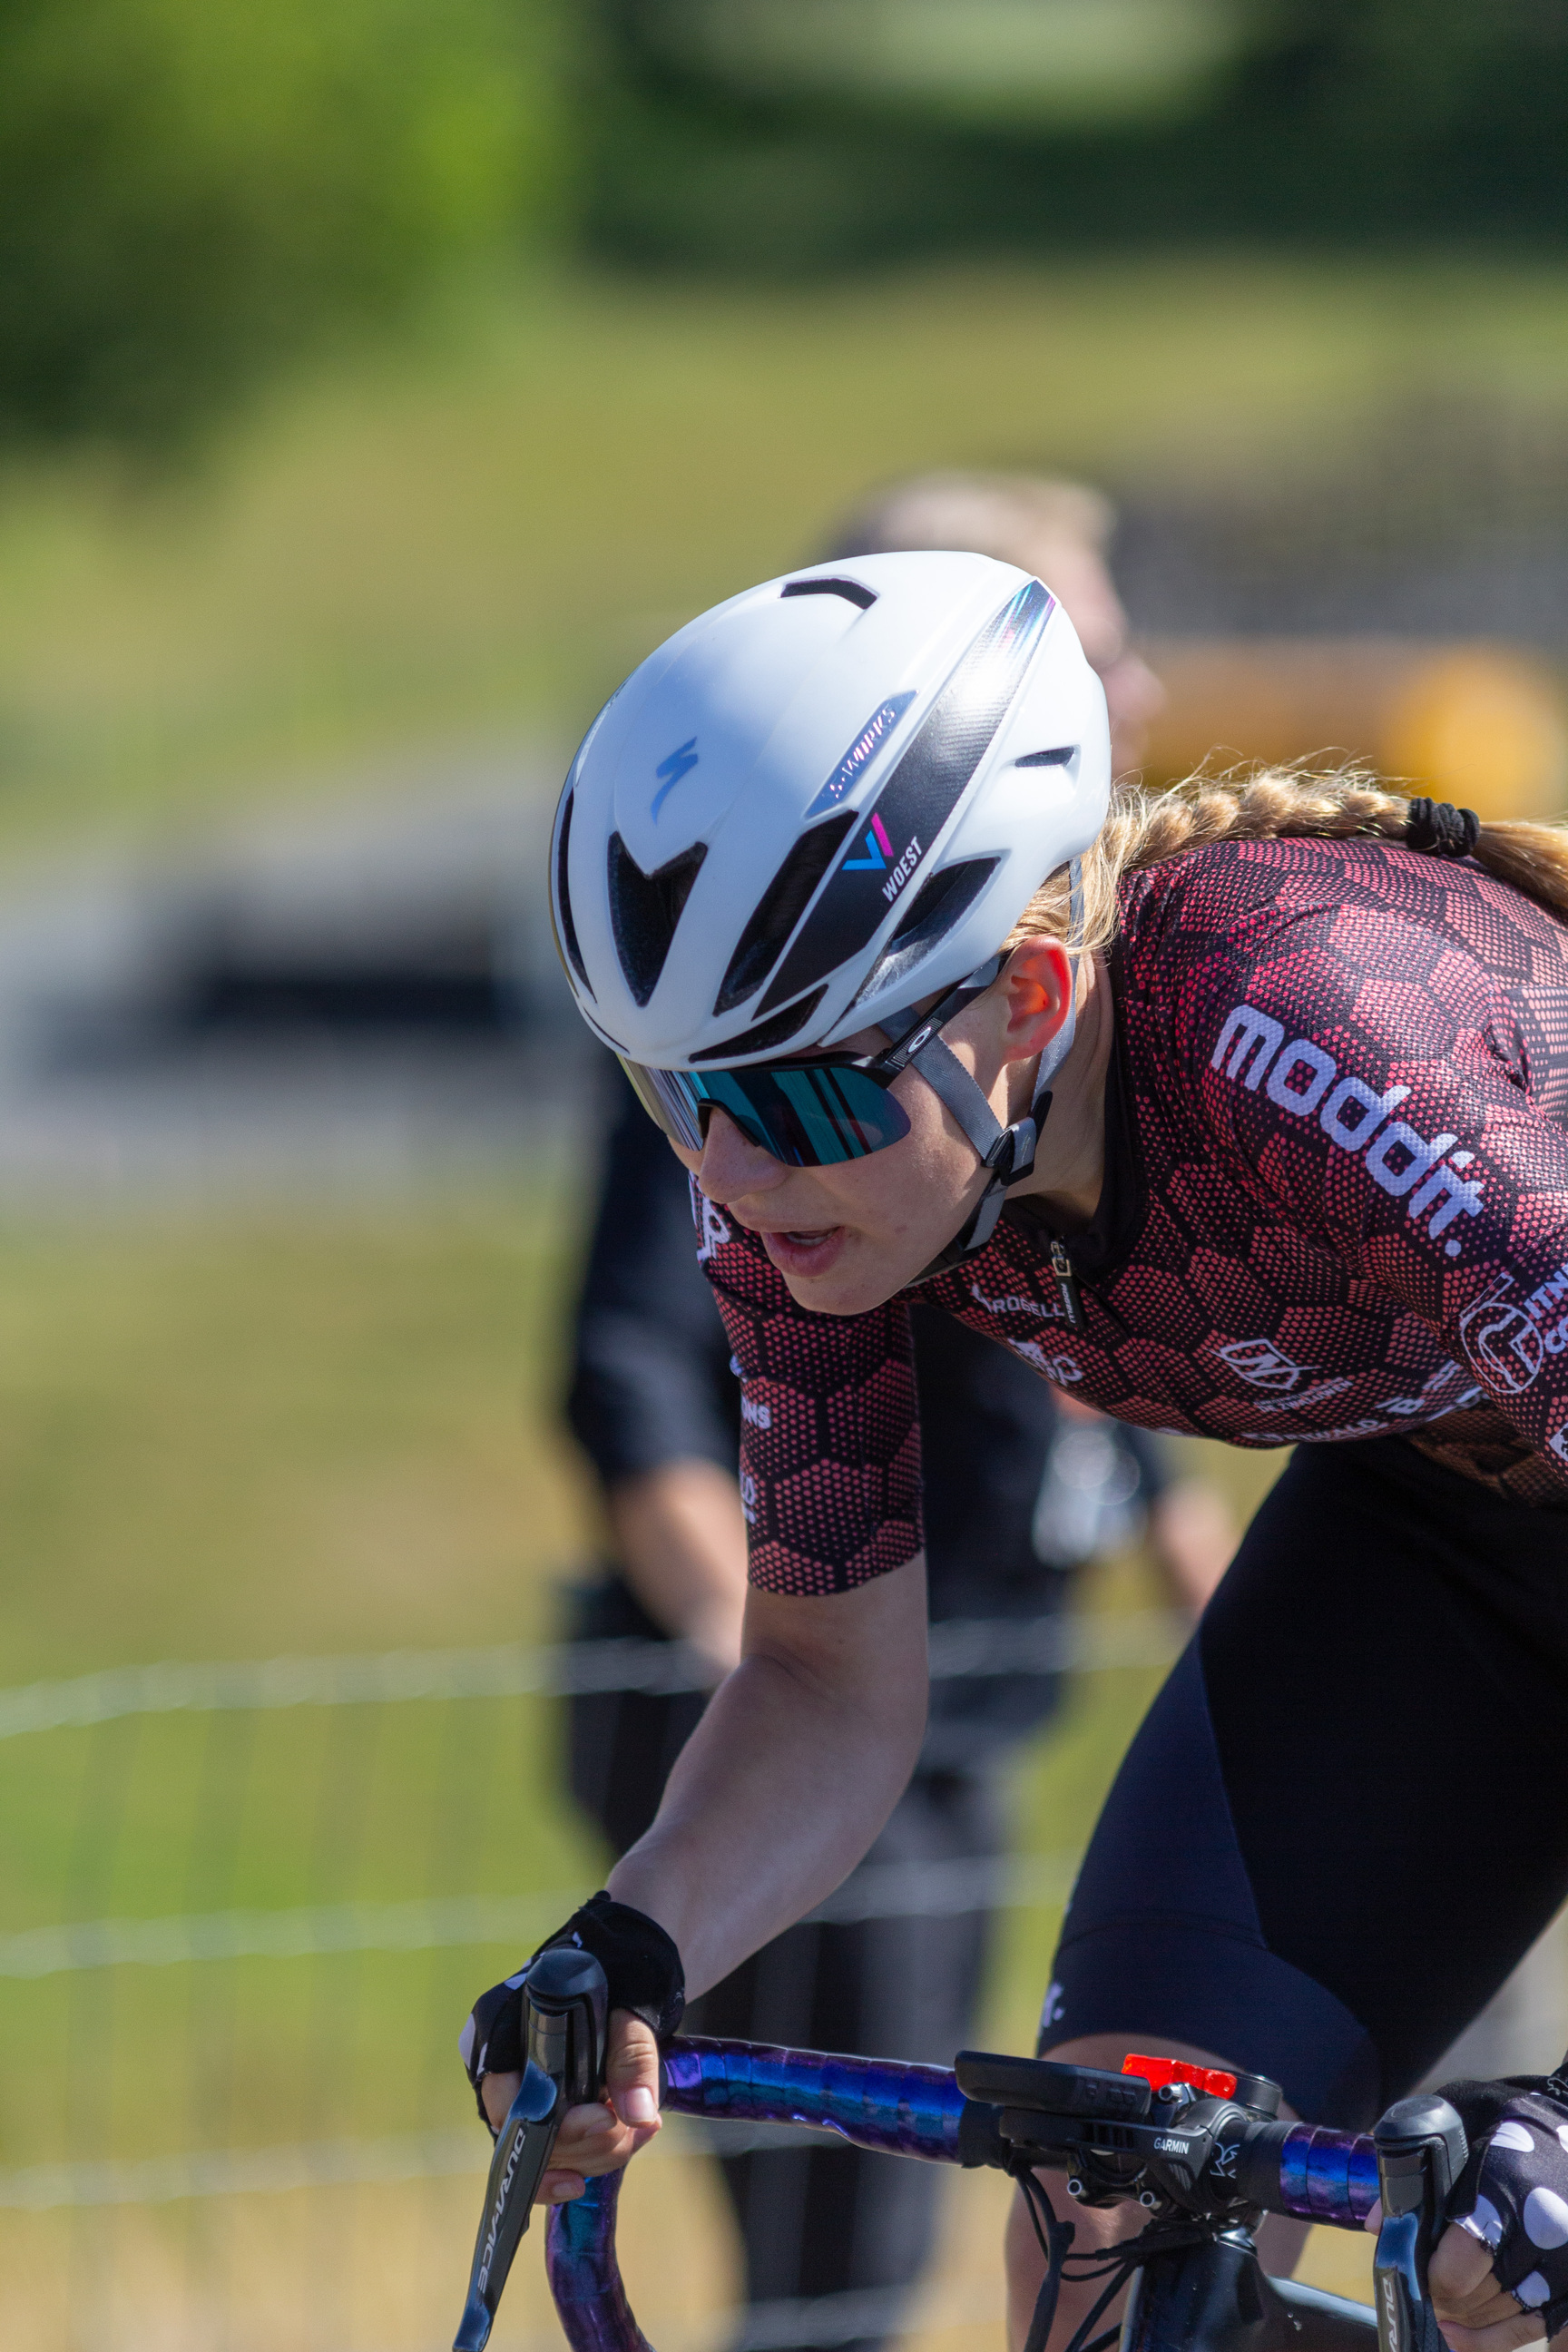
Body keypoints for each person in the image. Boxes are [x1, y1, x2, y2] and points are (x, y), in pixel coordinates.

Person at [468, 549, 1568, 2352]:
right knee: (1109, 2231)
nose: (733, 1176)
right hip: (1450, 1542)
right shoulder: (819, 1199)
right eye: (680, 1094)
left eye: (803, 1091)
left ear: (1034, 1001)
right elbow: (826, 1682)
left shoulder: (1336, 1045)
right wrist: (627, 1954)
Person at [563, 1061, 1220, 2352]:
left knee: (885, 2241)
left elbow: (1119, 1419)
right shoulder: (760, 1099)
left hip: (957, 1734)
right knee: (840, 2266)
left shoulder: (1037, 1112)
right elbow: (623, 1379)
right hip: (788, 1747)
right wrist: (749, 1663)